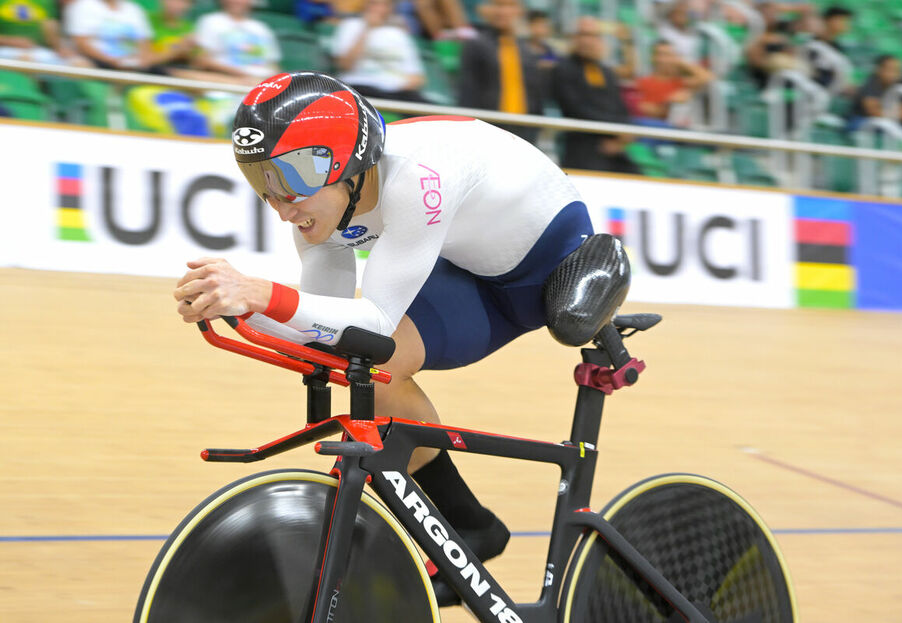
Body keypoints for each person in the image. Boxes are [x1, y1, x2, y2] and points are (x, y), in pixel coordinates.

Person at [173, 71, 594, 607]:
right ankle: (469, 525)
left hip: (547, 267)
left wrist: (258, 294)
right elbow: (327, 330)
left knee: (373, 343)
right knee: (362, 361)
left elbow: (368, 319)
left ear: (345, 163)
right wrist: (230, 307)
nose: (281, 204)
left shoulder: (416, 179)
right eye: (265, 182)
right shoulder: (323, 204)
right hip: (462, 262)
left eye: (294, 177)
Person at [553, 16, 640, 175]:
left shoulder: (606, 72)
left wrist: (621, 137)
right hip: (582, 146)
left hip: (614, 147)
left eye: (593, 36)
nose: (587, 41)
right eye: (583, 35)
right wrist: (616, 130)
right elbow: (576, 109)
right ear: (574, 38)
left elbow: (621, 107)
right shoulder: (564, 69)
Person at [457, 0, 544, 144]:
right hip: (487, 128)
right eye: (498, 5)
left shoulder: (527, 50)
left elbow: (535, 94)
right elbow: (468, 92)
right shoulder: (476, 45)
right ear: (487, 10)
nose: (503, 12)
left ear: (520, 11)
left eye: (510, 6)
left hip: (524, 129)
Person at [331, 0, 429, 102]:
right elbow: (345, 65)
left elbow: (417, 78)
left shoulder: (399, 34)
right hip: (360, 86)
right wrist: (367, 29)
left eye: (385, 5)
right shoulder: (350, 26)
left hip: (394, 91)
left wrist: (396, 85)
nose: (379, 9)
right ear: (366, 5)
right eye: (375, 3)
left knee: (428, 107)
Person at [65, 0, 162, 72]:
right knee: (80, 65)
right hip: (96, 61)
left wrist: (141, 60)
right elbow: (81, 43)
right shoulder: (82, 6)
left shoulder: (133, 8)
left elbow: (144, 42)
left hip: (132, 63)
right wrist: (111, 61)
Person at [632, 39, 712, 126]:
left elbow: (709, 79)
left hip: (676, 130)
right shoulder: (642, 82)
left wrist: (681, 62)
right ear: (653, 57)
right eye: (662, 55)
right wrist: (669, 102)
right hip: (650, 128)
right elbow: (644, 109)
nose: (665, 60)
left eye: (670, 55)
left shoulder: (681, 82)